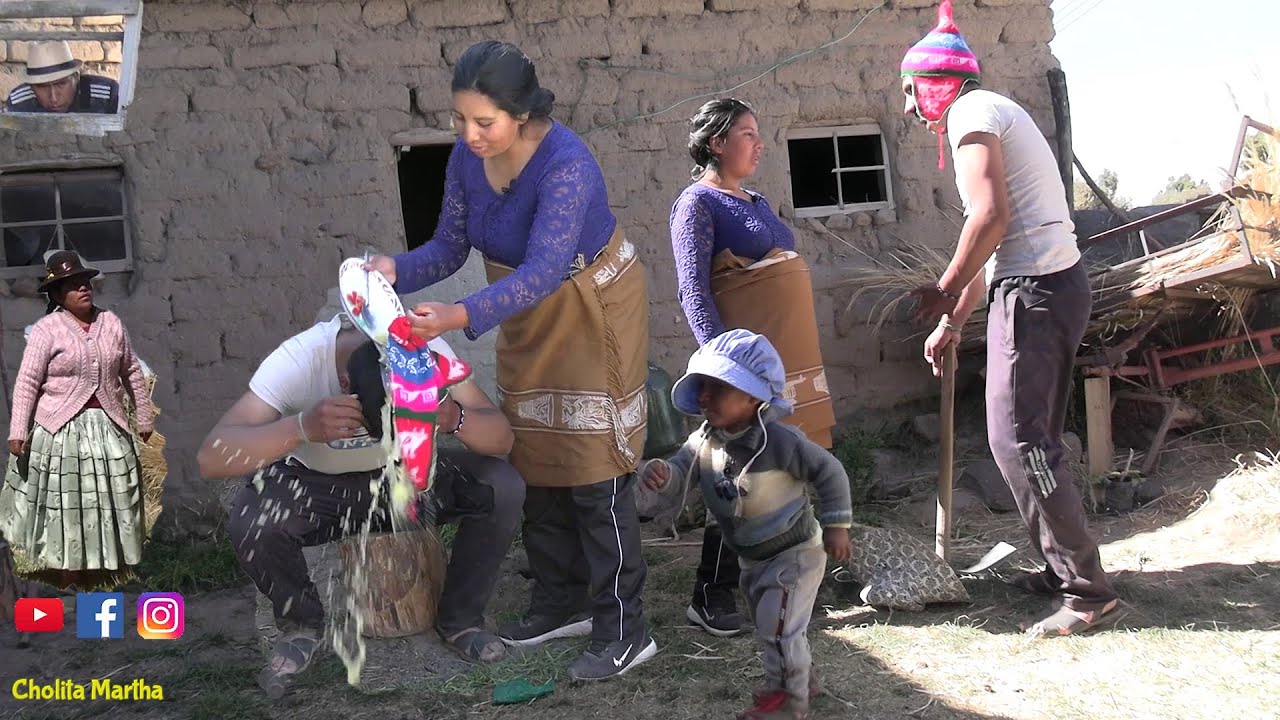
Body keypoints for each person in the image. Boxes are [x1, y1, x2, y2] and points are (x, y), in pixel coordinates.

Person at [363, 40, 655, 680]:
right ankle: (561, 600)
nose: (469, 135)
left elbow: (549, 267)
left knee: (592, 461)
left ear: (522, 114)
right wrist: (394, 269)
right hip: (523, 307)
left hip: (589, 305)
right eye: (459, 120)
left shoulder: (566, 166)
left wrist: (459, 314)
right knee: (534, 451)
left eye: (484, 122)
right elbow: (446, 246)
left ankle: (625, 630)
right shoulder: (470, 162)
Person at [901, 0, 1121, 636]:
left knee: (1019, 440)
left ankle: (1087, 591)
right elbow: (996, 246)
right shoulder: (990, 111)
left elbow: (988, 219)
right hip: (1038, 288)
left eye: (913, 92)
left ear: (937, 82)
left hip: (1037, 294)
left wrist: (942, 292)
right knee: (1030, 438)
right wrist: (956, 320)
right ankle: (1062, 571)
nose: (912, 109)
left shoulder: (970, 113)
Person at [199, 310, 524, 697]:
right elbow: (211, 457)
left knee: (500, 485)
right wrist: (299, 427)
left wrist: (452, 416)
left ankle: (461, 619)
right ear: (344, 383)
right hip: (317, 487)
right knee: (254, 520)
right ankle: (302, 625)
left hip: (406, 480)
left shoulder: (424, 348)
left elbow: (501, 440)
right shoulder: (299, 359)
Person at [667, 98, 838, 638]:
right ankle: (710, 597)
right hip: (743, 370)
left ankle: (785, 580)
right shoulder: (696, 204)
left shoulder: (756, 200)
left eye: (757, 132)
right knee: (741, 478)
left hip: (787, 361)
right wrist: (725, 372)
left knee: (785, 471)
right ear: (716, 143)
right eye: (746, 133)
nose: (758, 143)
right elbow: (693, 288)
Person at [640, 330, 852, 720]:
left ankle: (788, 701)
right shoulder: (704, 439)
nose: (704, 397)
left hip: (794, 553)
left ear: (753, 396)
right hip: (752, 558)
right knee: (775, 625)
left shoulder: (780, 442)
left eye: (716, 388)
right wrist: (661, 475)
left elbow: (830, 471)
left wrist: (837, 524)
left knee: (778, 627)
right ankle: (801, 678)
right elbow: (680, 472)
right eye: (701, 387)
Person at [2, 250, 153, 588]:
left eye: (86, 282)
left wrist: (142, 414)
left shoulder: (110, 323)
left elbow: (130, 370)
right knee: (68, 502)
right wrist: (18, 430)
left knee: (105, 498)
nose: (84, 288)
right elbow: (28, 381)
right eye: (73, 285)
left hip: (107, 427)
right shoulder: (47, 330)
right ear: (57, 294)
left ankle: (105, 569)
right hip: (60, 429)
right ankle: (67, 570)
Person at [4, 41, 119, 114]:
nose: (53, 98)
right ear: (31, 87)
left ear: (76, 77)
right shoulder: (19, 102)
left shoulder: (106, 95)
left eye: (61, 84)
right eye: (42, 87)